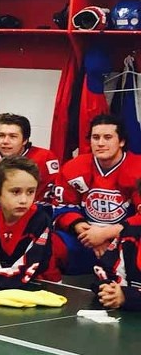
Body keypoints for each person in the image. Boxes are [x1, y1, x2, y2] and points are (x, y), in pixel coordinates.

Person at [54, 114, 141, 274]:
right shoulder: (75, 167)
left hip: (125, 240)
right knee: (51, 243)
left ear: (121, 141)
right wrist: (87, 234)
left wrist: (106, 234)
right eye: (95, 137)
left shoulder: (138, 168)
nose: (100, 143)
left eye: (108, 137)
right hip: (85, 238)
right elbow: (62, 208)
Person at [0, 156, 54, 290]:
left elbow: (32, 267)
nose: (24, 200)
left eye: (30, 192)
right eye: (15, 192)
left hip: (28, 291)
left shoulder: (41, 221)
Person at [95, 181, 141, 311]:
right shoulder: (129, 236)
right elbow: (105, 270)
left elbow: (126, 296)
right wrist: (110, 290)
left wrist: (127, 296)